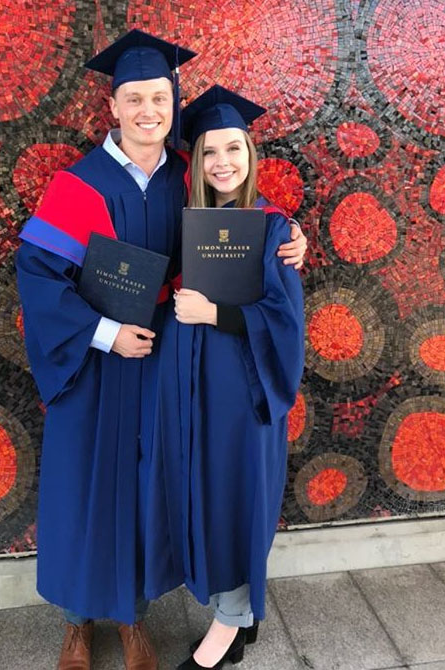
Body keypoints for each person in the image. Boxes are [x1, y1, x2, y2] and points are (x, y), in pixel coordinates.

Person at [16, 29, 308, 670]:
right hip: (94, 365)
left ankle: (131, 619)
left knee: (144, 491)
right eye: (134, 99)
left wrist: (292, 234)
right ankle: (75, 622)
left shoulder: (189, 172)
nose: (149, 111)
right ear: (113, 107)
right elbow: (38, 276)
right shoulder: (78, 185)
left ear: (175, 104)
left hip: (166, 365)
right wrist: (104, 333)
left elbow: (239, 211)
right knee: (85, 490)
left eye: (160, 98)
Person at [149, 86, 305, 670]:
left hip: (244, 394)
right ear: (197, 161)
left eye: (233, 148)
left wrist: (214, 314)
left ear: (250, 153)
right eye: (210, 151)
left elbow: (284, 324)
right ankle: (241, 619)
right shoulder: (189, 223)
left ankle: (226, 626)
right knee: (206, 496)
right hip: (193, 393)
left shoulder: (272, 228)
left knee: (235, 497)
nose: (222, 162)